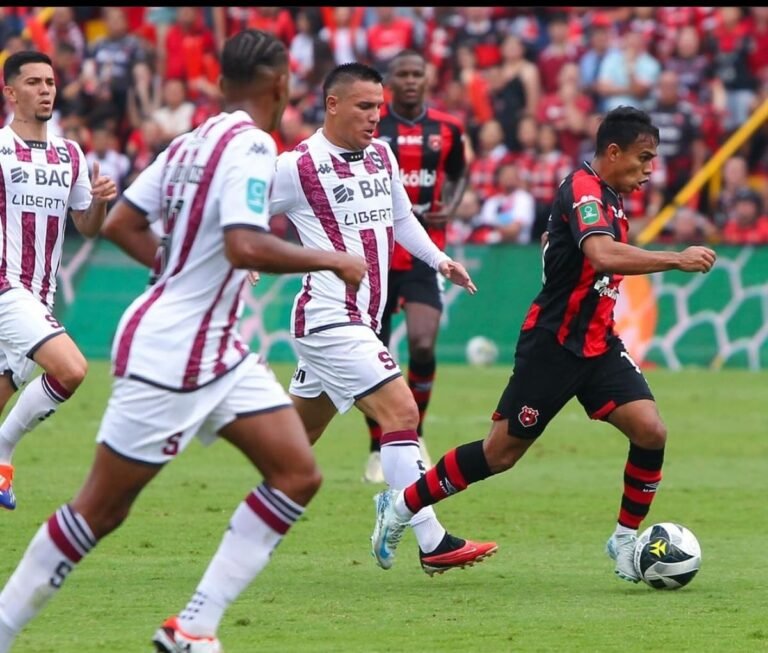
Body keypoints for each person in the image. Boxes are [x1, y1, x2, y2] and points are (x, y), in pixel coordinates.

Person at [0, 29, 367, 653]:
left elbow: (120, 222)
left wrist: (177, 270)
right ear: (281, 84)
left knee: (297, 474)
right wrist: (330, 258)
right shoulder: (253, 144)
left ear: (222, 84)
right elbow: (244, 244)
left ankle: (192, 627)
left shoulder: (192, 141)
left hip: (217, 346)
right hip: (172, 349)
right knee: (101, 511)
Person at [371, 106, 717, 582]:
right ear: (612, 152)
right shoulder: (583, 190)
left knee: (651, 431)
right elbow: (599, 253)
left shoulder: (612, 196)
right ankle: (403, 502)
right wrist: (674, 258)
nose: (650, 169)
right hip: (553, 345)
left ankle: (623, 540)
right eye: (644, 158)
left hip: (598, 343)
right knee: (500, 455)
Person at [269, 61, 498, 576]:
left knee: (290, 446)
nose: (377, 116)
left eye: (379, 106)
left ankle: (224, 421)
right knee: (402, 414)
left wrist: (440, 260)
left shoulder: (381, 156)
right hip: (330, 317)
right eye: (364, 106)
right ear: (333, 105)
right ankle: (431, 540)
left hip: (360, 321)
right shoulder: (298, 164)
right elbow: (242, 213)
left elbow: (400, 219)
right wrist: (242, 264)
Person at [0, 51, 117, 511]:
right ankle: (4, 452)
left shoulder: (70, 154)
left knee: (8, 383)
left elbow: (87, 227)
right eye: (33, 82)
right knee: (71, 368)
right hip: (6, 285)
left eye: (49, 81)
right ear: (11, 93)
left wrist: (102, 202)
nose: (45, 89)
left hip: (40, 294)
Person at [361, 49, 470, 484]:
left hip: (426, 254)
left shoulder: (448, 129)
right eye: (402, 74)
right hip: (377, 256)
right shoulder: (373, 128)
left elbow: (461, 172)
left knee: (423, 345)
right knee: (377, 355)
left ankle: (415, 433)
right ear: (389, 81)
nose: (409, 80)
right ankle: (376, 447)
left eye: (416, 73)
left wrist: (451, 206)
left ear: (427, 80)